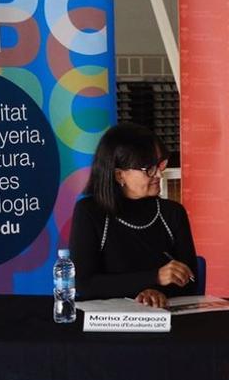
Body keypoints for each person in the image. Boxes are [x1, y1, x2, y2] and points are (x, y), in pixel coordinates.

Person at [69, 123, 197, 308]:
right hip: (107, 325)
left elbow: (191, 280)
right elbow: (84, 284)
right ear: (120, 175)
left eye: (160, 165)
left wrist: (157, 292)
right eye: (149, 169)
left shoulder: (173, 213)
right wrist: (155, 278)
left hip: (164, 319)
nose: (159, 174)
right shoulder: (90, 212)